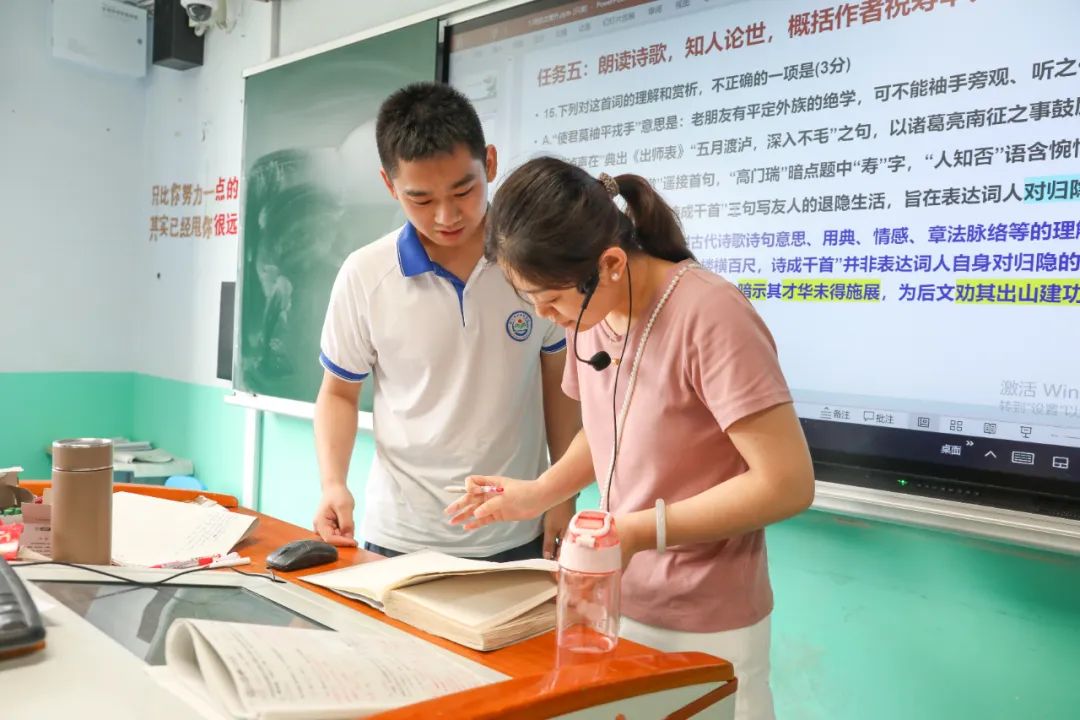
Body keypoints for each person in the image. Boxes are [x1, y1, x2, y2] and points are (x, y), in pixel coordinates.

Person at [446, 157, 815, 719]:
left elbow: (786, 483)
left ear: (612, 264)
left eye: (551, 300)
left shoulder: (711, 314)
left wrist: (640, 532)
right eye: (531, 300)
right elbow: (606, 431)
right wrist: (538, 493)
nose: (547, 316)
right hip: (613, 602)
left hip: (706, 619)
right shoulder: (592, 315)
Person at [314, 84, 580, 561]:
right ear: (389, 185)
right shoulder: (366, 274)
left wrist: (562, 492)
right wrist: (333, 483)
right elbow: (338, 392)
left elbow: (560, 383)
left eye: (463, 190)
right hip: (399, 536)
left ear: (490, 163)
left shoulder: (537, 266)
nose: (446, 216)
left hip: (516, 529)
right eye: (420, 200)